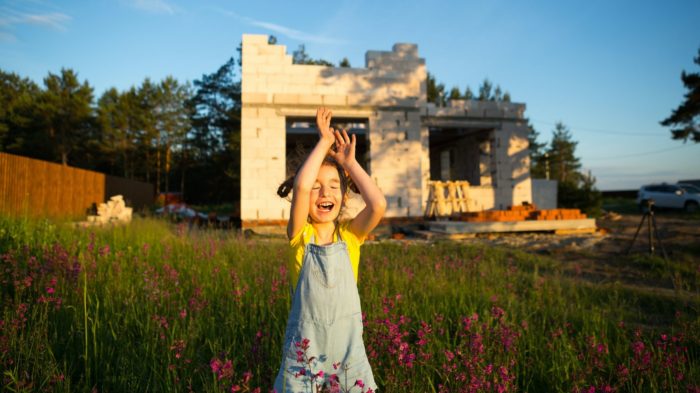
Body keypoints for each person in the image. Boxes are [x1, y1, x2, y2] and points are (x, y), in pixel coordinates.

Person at [273, 107, 386, 392]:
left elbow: (378, 205)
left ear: (345, 195)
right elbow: (300, 186)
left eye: (334, 186)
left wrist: (350, 164)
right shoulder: (300, 234)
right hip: (305, 350)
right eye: (317, 187)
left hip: (349, 350)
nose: (325, 193)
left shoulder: (351, 236)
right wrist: (323, 142)